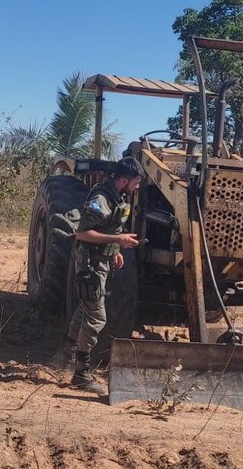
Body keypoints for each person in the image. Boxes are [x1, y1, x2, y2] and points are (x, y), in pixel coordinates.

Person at [62, 156, 146, 393]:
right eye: (136, 182)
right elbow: (83, 233)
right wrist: (117, 240)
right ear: (124, 180)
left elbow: (112, 226)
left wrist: (116, 249)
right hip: (90, 261)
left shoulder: (116, 197)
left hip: (102, 261)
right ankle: (81, 373)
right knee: (97, 317)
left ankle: (67, 354)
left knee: (86, 307)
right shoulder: (100, 198)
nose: (137, 187)